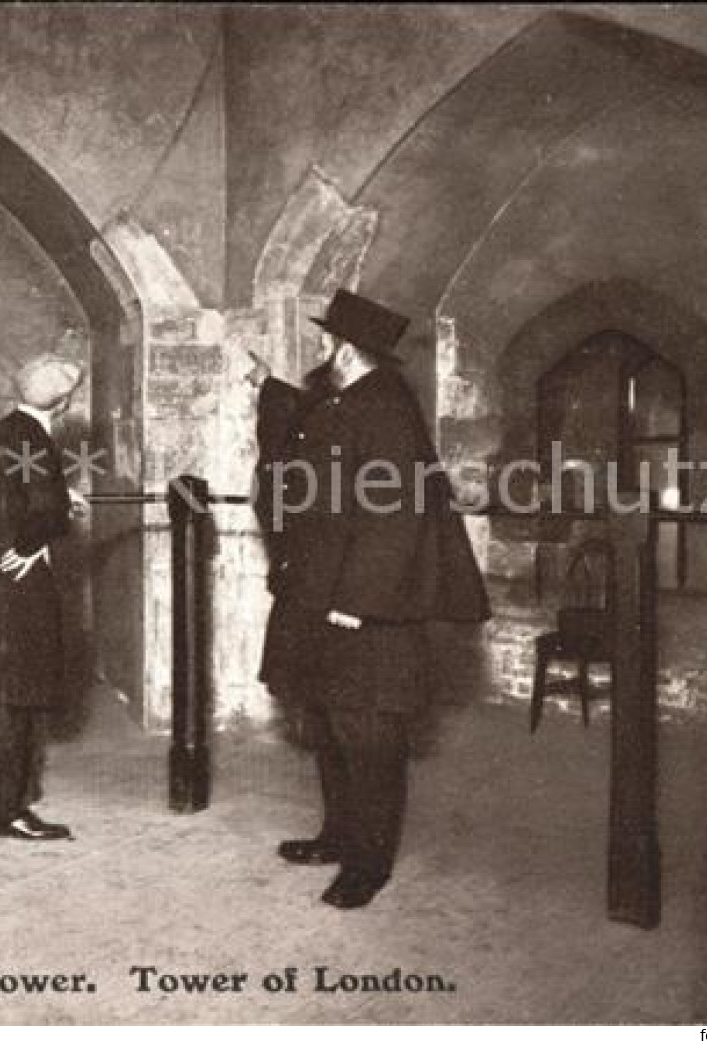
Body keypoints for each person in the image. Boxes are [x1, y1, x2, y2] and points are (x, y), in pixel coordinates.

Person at [247, 288, 490, 908]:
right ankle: (337, 836)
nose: (322, 350)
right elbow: (310, 430)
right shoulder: (355, 399)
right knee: (329, 720)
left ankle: (369, 863)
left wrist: (360, 600)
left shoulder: (384, 407)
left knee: (369, 737)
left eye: (327, 342)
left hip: (362, 607)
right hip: (323, 590)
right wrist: (270, 387)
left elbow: (398, 514)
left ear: (346, 351)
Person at [0, 353, 88, 841]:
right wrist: (33, 544)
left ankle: (12, 801)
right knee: (15, 697)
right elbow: (41, 505)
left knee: (6, 693)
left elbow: (6, 491)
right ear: (64, 400)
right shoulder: (37, 438)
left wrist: (58, 499)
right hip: (16, 581)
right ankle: (9, 812)